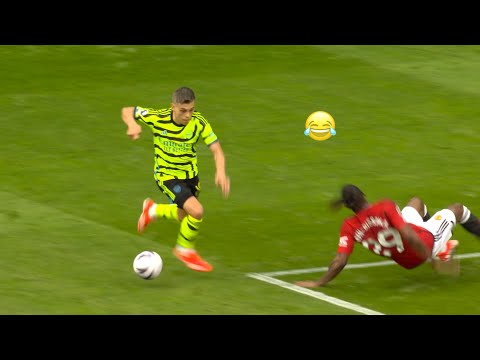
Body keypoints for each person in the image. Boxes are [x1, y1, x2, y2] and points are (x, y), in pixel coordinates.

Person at [121, 87, 230, 272]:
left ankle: (153, 210)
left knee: (184, 216)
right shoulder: (158, 118)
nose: (188, 115)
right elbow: (127, 111)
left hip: (190, 176)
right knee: (196, 211)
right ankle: (184, 250)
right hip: (166, 175)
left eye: (191, 110)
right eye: (183, 111)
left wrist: (220, 171)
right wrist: (132, 125)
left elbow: (216, 149)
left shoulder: (199, 123)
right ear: (173, 107)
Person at [295, 184, 480, 288]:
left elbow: (340, 262)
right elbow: (409, 235)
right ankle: (441, 247)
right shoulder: (384, 207)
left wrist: (318, 282)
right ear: (364, 195)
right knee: (457, 209)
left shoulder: (348, 226)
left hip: (404, 259)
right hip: (425, 242)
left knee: (416, 203)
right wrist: (431, 259)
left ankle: (440, 242)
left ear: (347, 206)